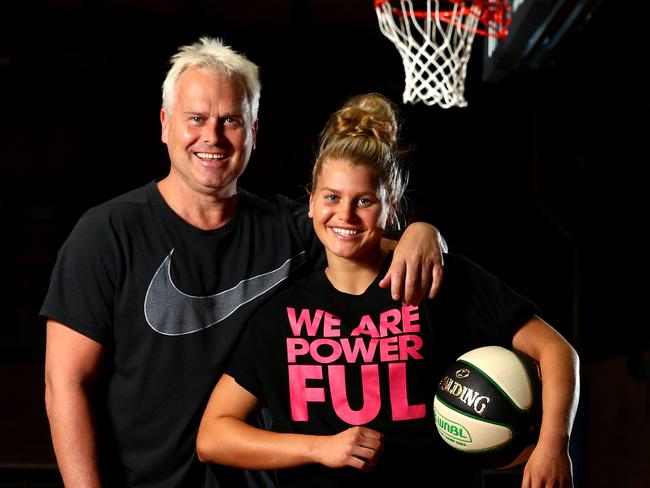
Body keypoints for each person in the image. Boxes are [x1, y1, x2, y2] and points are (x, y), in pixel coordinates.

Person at [40, 39, 447, 488]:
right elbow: (65, 386)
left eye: (230, 120)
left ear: (253, 130)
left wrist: (423, 232)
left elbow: (366, 236)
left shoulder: (289, 230)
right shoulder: (106, 234)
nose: (212, 136)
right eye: (196, 118)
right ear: (165, 125)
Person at [196, 93, 580, 488]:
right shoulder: (281, 317)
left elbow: (555, 351)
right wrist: (319, 448)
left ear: (390, 208)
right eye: (331, 197)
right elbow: (214, 435)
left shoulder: (433, 281)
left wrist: (553, 444)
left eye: (364, 201)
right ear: (310, 203)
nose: (344, 215)